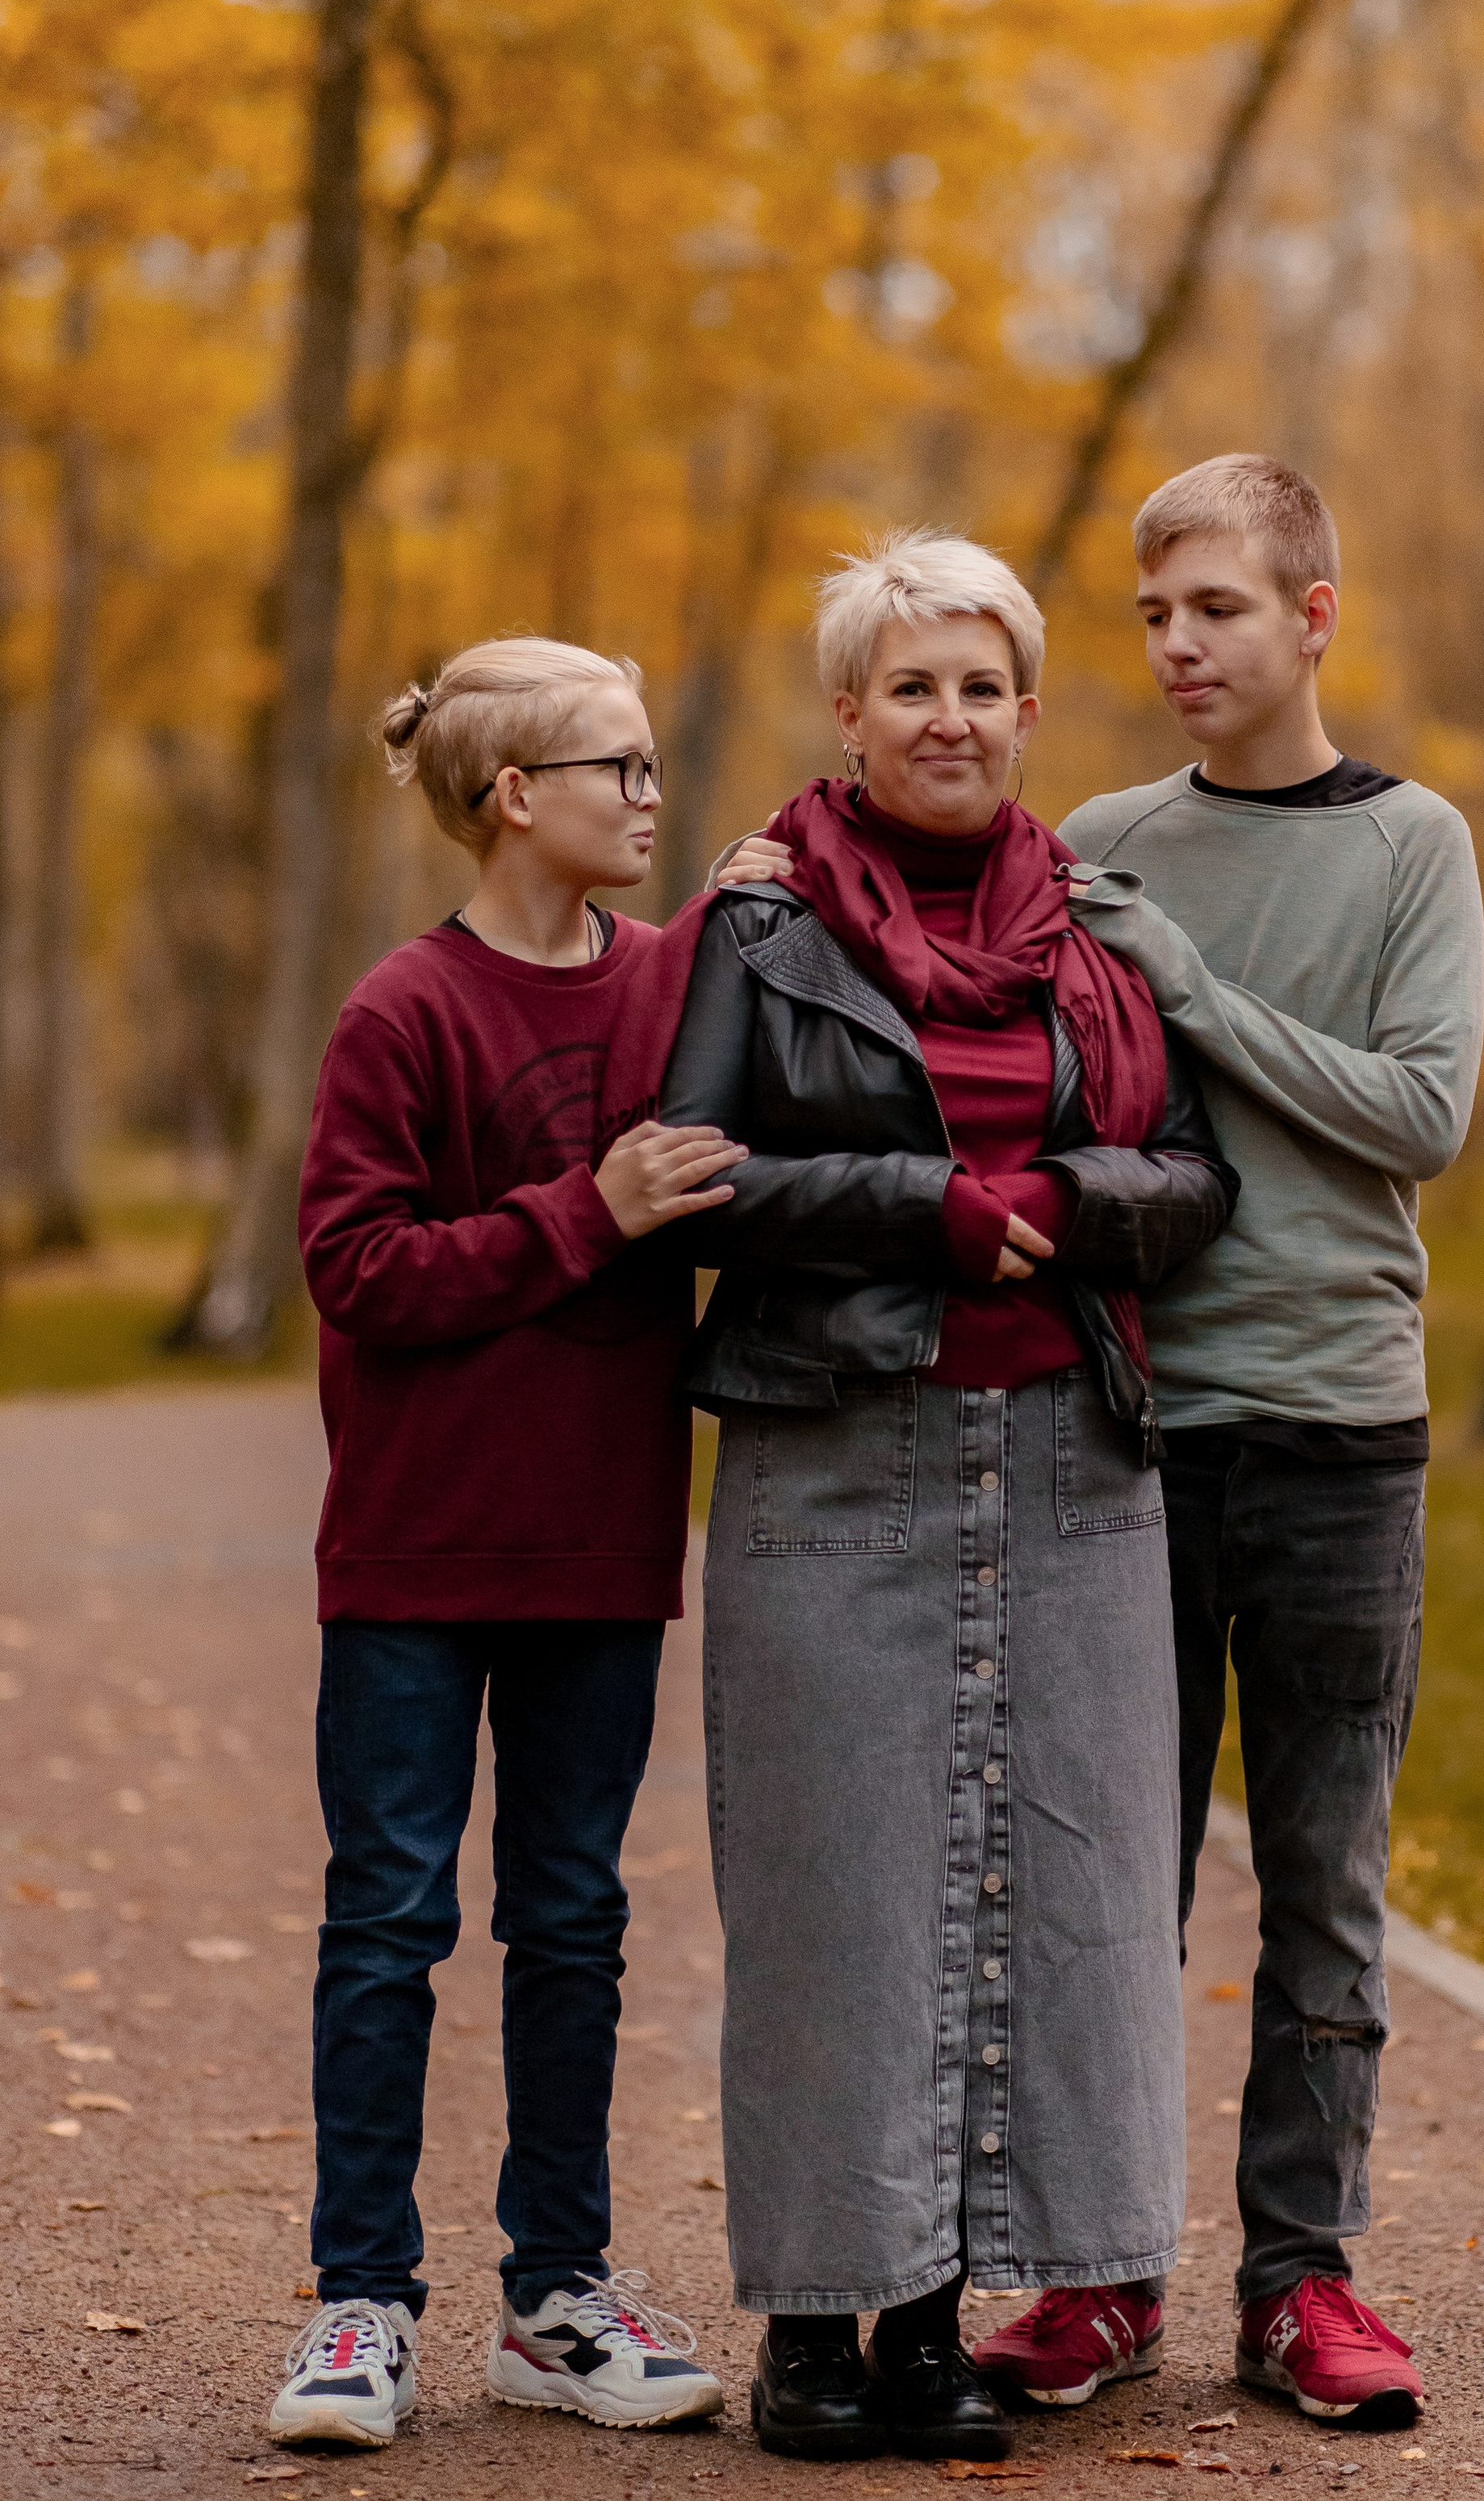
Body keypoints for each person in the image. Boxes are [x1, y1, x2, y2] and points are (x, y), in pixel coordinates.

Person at [673, 528, 1236, 2465]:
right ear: (848, 714)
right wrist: (927, 1207)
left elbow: (1192, 1174)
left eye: (980, 686)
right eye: (909, 686)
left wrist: (1068, 1198)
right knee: (837, 1896)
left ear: (1026, 710)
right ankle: (808, 2337)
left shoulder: (1096, 930)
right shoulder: (757, 929)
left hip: (1072, 1459)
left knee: (1045, 1894)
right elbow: (693, 1174)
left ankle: (930, 2330)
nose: (948, 717)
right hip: (836, 1450)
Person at [1001, 455, 1484, 2431]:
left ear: (1311, 614)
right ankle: (1101, 2271)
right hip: (1130, 1430)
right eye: (1151, 615)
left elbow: (1420, 1112)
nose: (1179, 645)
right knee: (1109, 1885)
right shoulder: (1097, 840)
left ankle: (1303, 2284)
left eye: (1214, 607)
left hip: (1340, 1431)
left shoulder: (1410, 845)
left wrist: (1189, 991)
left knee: (1321, 1885)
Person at [272, 637, 743, 2451]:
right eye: (617, 765)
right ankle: (360, 2304)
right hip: (413, 1551)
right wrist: (586, 1210)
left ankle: (554, 2297)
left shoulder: (671, 983)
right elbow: (357, 1268)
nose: (647, 792)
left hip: (599, 1550)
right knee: (388, 1920)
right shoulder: (405, 1010)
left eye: (651, 761)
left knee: (574, 1923)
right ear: (513, 796)